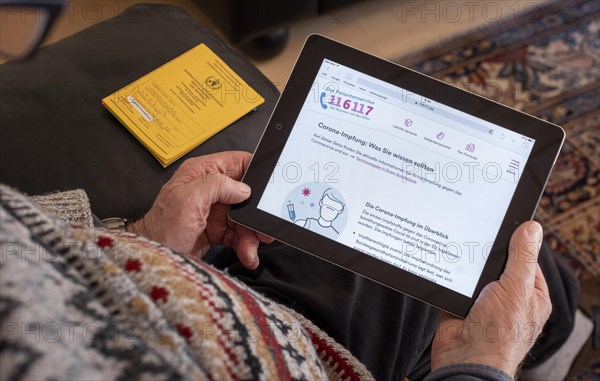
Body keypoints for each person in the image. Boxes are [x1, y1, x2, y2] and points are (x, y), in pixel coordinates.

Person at [0, 2, 579, 380]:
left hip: (179, 293)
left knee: (323, 233)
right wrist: (480, 365)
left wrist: (145, 244)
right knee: (494, 268)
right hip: (284, 354)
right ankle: (556, 331)